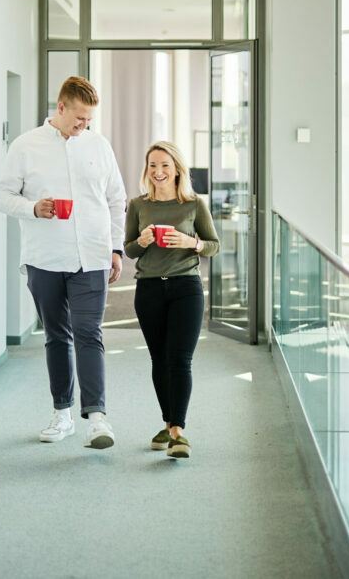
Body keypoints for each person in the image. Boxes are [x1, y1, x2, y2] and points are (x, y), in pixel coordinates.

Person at [0, 76, 126, 449]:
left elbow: (117, 199)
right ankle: (62, 414)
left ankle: (97, 418)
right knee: (56, 336)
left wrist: (115, 247)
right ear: (61, 107)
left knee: (89, 333)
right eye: (79, 118)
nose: (84, 126)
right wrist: (33, 208)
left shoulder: (99, 146)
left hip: (93, 255)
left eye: (89, 120)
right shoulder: (26, 146)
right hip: (45, 258)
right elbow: (2, 196)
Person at [123, 141, 219, 459]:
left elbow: (213, 245)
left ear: (177, 169)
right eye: (153, 165)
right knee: (159, 360)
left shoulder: (193, 205)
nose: (158, 171)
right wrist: (142, 240)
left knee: (180, 359)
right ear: (147, 169)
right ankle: (167, 423)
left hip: (186, 288)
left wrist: (192, 242)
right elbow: (130, 250)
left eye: (165, 165)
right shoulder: (138, 205)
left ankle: (178, 431)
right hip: (149, 289)